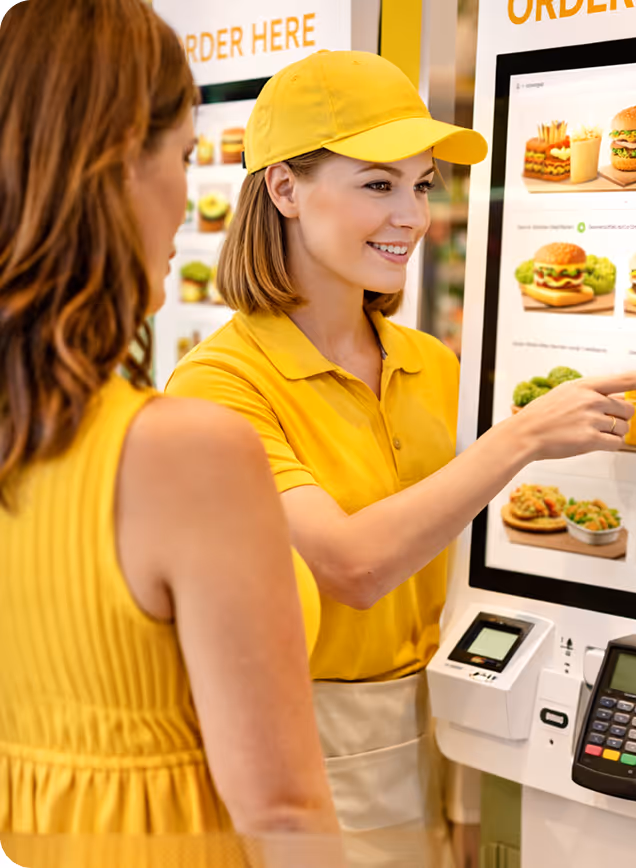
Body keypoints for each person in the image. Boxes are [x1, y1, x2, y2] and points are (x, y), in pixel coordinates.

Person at [166, 49, 636, 865]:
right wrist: (523, 437)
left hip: (462, 727)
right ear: (285, 189)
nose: (414, 216)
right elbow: (352, 568)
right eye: (378, 184)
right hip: (319, 750)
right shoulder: (217, 386)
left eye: (422, 184)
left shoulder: (432, 363)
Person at [0, 2, 340, 866]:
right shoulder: (188, 451)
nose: (189, 201)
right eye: (186, 156)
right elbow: (286, 813)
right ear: (119, 161)